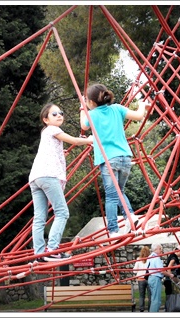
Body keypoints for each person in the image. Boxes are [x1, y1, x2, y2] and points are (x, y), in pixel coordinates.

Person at [80, 84, 147, 238]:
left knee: (111, 196)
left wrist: (82, 109)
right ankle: (131, 218)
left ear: (91, 102)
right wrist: (142, 104)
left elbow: (83, 125)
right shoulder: (117, 108)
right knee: (119, 191)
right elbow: (138, 116)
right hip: (125, 158)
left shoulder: (93, 115)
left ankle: (113, 230)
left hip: (108, 160)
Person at [29, 103, 93, 262]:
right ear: (46, 119)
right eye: (54, 114)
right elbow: (74, 141)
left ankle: (39, 253)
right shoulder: (53, 129)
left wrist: (60, 152)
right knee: (62, 212)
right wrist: (89, 140)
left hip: (36, 178)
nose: (59, 115)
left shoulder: (46, 133)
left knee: (39, 218)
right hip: (48, 176)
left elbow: (50, 152)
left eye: (60, 113)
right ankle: (52, 249)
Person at [146, 242, 175, 312]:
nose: (161, 250)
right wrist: (170, 274)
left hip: (151, 278)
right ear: (156, 249)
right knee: (157, 300)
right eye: (160, 249)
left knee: (153, 299)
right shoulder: (156, 258)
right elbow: (161, 270)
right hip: (156, 278)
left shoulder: (150, 257)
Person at [133, 246, 151, 312]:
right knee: (150, 295)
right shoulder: (150, 259)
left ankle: (141, 308)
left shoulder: (138, 259)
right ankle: (150, 309)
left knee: (141, 295)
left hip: (140, 279)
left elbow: (134, 271)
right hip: (148, 278)